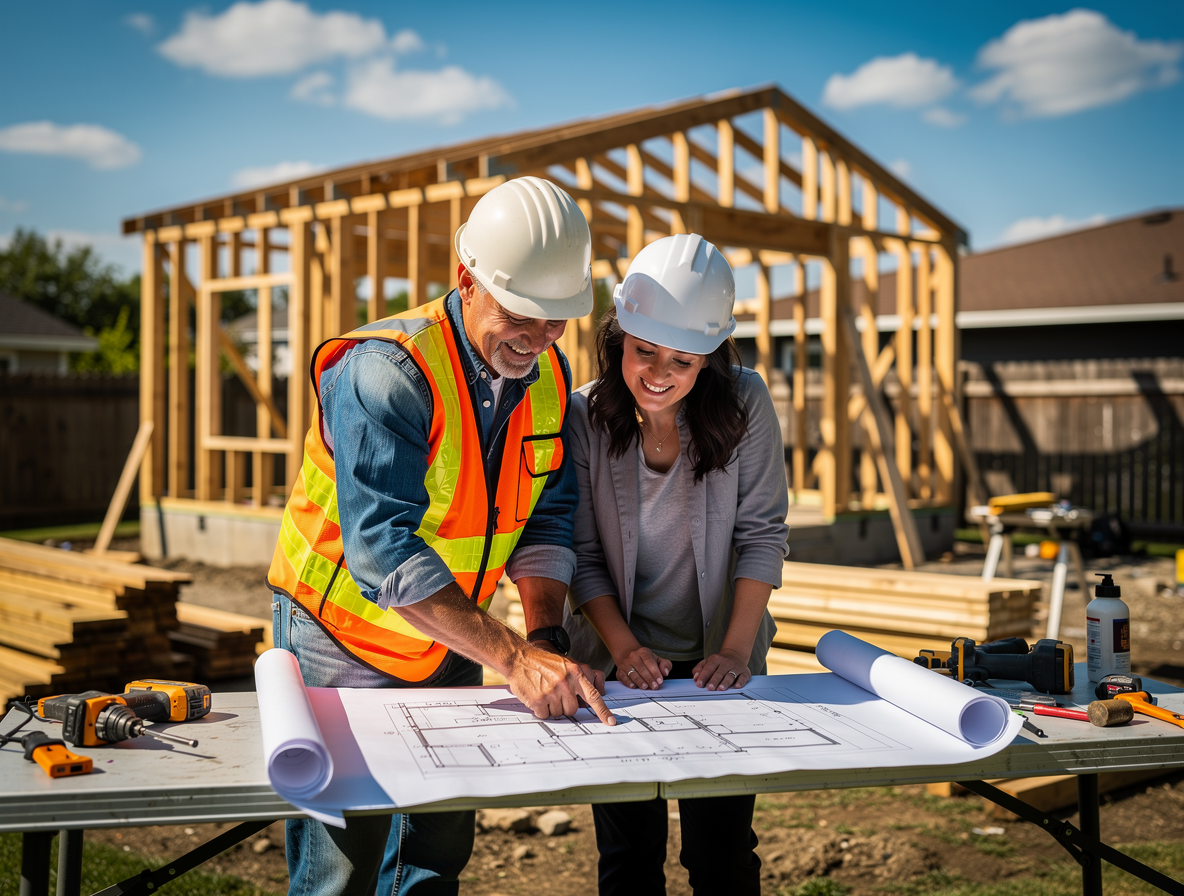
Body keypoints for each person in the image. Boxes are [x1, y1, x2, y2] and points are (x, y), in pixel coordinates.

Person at [268, 176, 616, 896]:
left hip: (452, 637)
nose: (538, 339)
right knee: (343, 868)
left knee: (434, 851)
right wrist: (513, 658)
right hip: (340, 641)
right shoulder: (387, 372)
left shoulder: (547, 374)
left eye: (557, 321)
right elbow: (382, 553)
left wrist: (544, 639)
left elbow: (546, 516)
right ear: (466, 280)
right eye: (523, 315)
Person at [564, 232, 789, 895]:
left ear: (711, 361)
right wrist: (625, 648)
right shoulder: (584, 415)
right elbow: (581, 555)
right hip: (617, 660)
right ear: (618, 340)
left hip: (723, 654)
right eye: (644, 353)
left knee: (722, 856)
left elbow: (762, 535)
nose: (658, 374)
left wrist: (737, 650)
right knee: (629, 859)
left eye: (683, 362)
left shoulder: (745, 403)